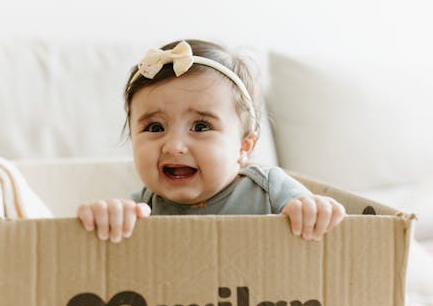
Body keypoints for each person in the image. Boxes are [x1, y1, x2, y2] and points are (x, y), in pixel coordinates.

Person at [77, 39, 346, 243]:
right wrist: (107, 217)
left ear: (244, 147)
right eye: (155, 127)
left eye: (201, 126)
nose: (173, 146)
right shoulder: (142, 208)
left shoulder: (270, 190)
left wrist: (313, 210)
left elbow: (314, 215)